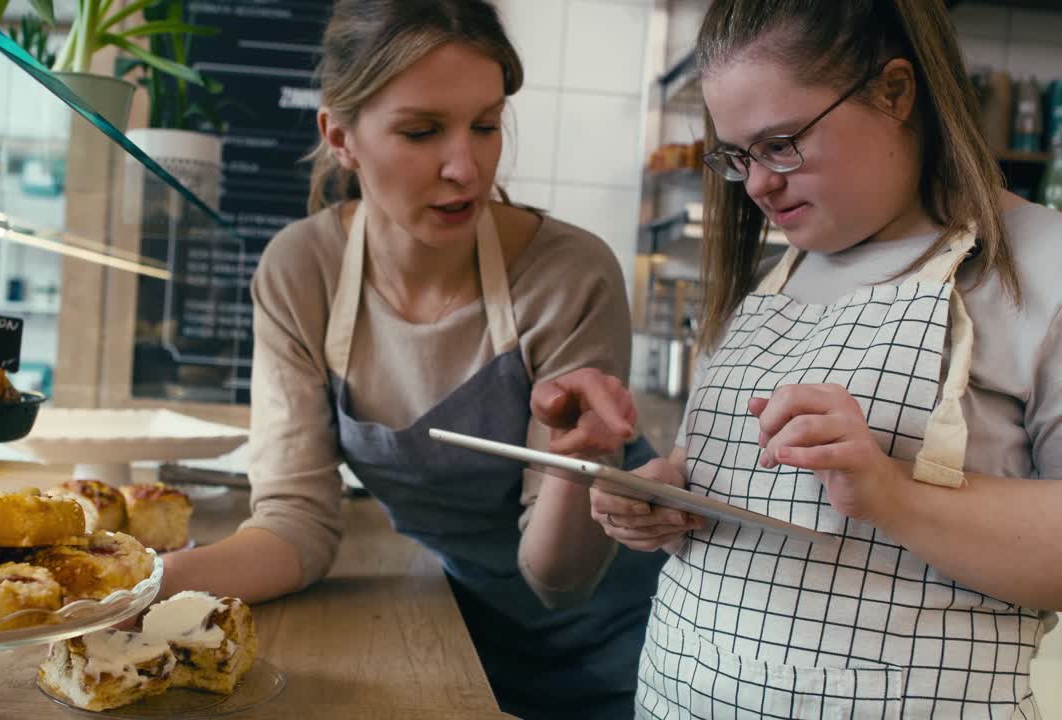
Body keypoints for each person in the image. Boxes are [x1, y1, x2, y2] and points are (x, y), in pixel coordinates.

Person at [537, 0, 1062, 717]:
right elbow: (720, 482)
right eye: (738, 156)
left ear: (896, 91)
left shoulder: (1041, 267)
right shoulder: (770, 283)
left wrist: (891, 493)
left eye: (781, 144)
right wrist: (662, 496)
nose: (757, 184)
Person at [157, 1, 666, 717]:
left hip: (627, 644)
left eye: (486, 125)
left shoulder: (569, 275)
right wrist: (135, 584)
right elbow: (296, 525)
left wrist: (576, 462)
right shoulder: (302, 272)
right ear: (340, 136)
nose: (466, 167)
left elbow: (561, 580)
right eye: (422, 131)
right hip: (463, 624)